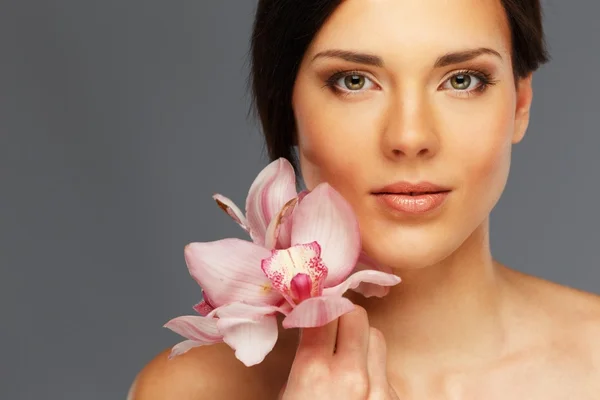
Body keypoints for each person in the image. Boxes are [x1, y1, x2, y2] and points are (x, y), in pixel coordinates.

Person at [129, 0, 600, 398]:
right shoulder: (190, 390)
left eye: (462, 80)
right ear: (287, 106)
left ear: (520, 104)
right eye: (354, 80)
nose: (410, 136)